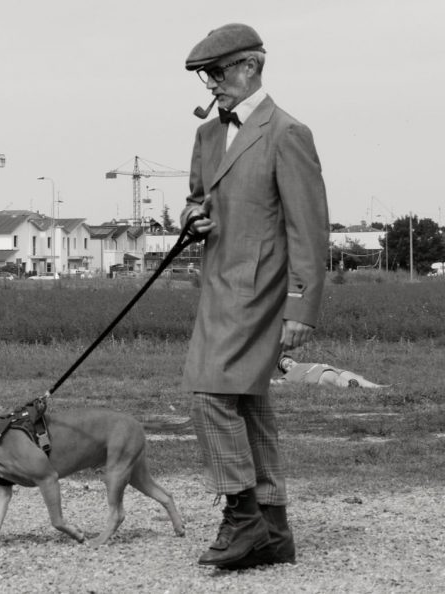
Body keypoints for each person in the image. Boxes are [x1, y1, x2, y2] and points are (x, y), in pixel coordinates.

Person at [180, 24, 329, 570]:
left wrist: (300, 306)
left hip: (261, 290)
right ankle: (273, 528)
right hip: (216, 288)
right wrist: (192, 218)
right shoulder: (207, 136)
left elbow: (309, 229)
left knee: (207, 392)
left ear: (249, 66)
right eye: (206, 77)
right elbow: (197, 199)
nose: (212, 85)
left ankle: (242, 519)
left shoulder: (287, 132)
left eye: (217, 73)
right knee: (247, 403)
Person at [272, 355, 388, 388]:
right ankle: (353, 387)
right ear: (285, 371)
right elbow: (275, 383)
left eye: (290, 361)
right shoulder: (289, 376)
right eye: (286, 366)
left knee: (357, 378)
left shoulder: (305, 364)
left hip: (334, 370)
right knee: (345, 384)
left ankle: (379, 387)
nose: (290, 364)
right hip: (320, 376)